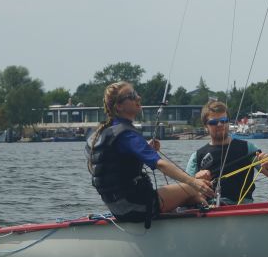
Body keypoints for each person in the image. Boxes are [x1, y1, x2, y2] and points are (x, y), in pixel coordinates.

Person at [87, 82, 213, 226]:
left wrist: (144, 148)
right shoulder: (127, 135)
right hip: (139, 207)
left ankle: (195, 210)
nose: (138, 97)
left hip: (119, 208)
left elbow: (115, 162)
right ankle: (207, 219)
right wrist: (193, 182)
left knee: (188, 192)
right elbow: (160, 164)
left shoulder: (106, 132)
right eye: (132, 96)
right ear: (119, 106)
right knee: (194, 188)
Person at [187, 101, 268, 205]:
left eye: (223, 120)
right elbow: (184, 192)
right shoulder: (197, 156)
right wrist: (196, 180)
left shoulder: (247, 148)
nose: (219, 124)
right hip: (211, 209)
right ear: (205, 126)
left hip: (242, 208)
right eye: (213, 122)